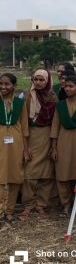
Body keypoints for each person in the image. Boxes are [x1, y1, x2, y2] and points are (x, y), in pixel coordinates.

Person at [50, 75, 76, 217]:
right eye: (66, 86)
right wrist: (54, 148)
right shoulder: (60, 106)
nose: (67, 88)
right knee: (63, 175)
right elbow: (55, 128)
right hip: (63, 144)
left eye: (71, 86)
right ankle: (66, 205)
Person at [19, 69, 57, 220]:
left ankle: (41, 205)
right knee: (30, 173)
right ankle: (28, 205)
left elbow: (56, 121)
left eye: (42, 80)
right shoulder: (27, 96)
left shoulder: (53, 97)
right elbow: (23, 121)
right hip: (32, 135)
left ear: (47, 81)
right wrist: (25, 145)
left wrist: (54, 145)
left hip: (48, 135)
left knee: (46, 174)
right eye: (36, 79)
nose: (38, 83)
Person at [0, 73, 29, 224]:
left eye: (7, 84)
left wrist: (25, 149)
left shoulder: (20, 103)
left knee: (15, 177)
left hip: (16, 144)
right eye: (1, 84)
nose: (3, 87)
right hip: (0, 143)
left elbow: (24, 127)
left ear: (14, 86)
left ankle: (9, 211)